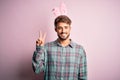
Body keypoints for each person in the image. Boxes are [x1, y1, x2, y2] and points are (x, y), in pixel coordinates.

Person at [32, 15, 87, 80]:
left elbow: (83, 77)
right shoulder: (46, 48)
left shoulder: (80, 50)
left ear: (70, 28)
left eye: (66, 27)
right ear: (55, 29)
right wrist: (39, 48)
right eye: (60, 28)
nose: (63, 31)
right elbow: (37, 69)